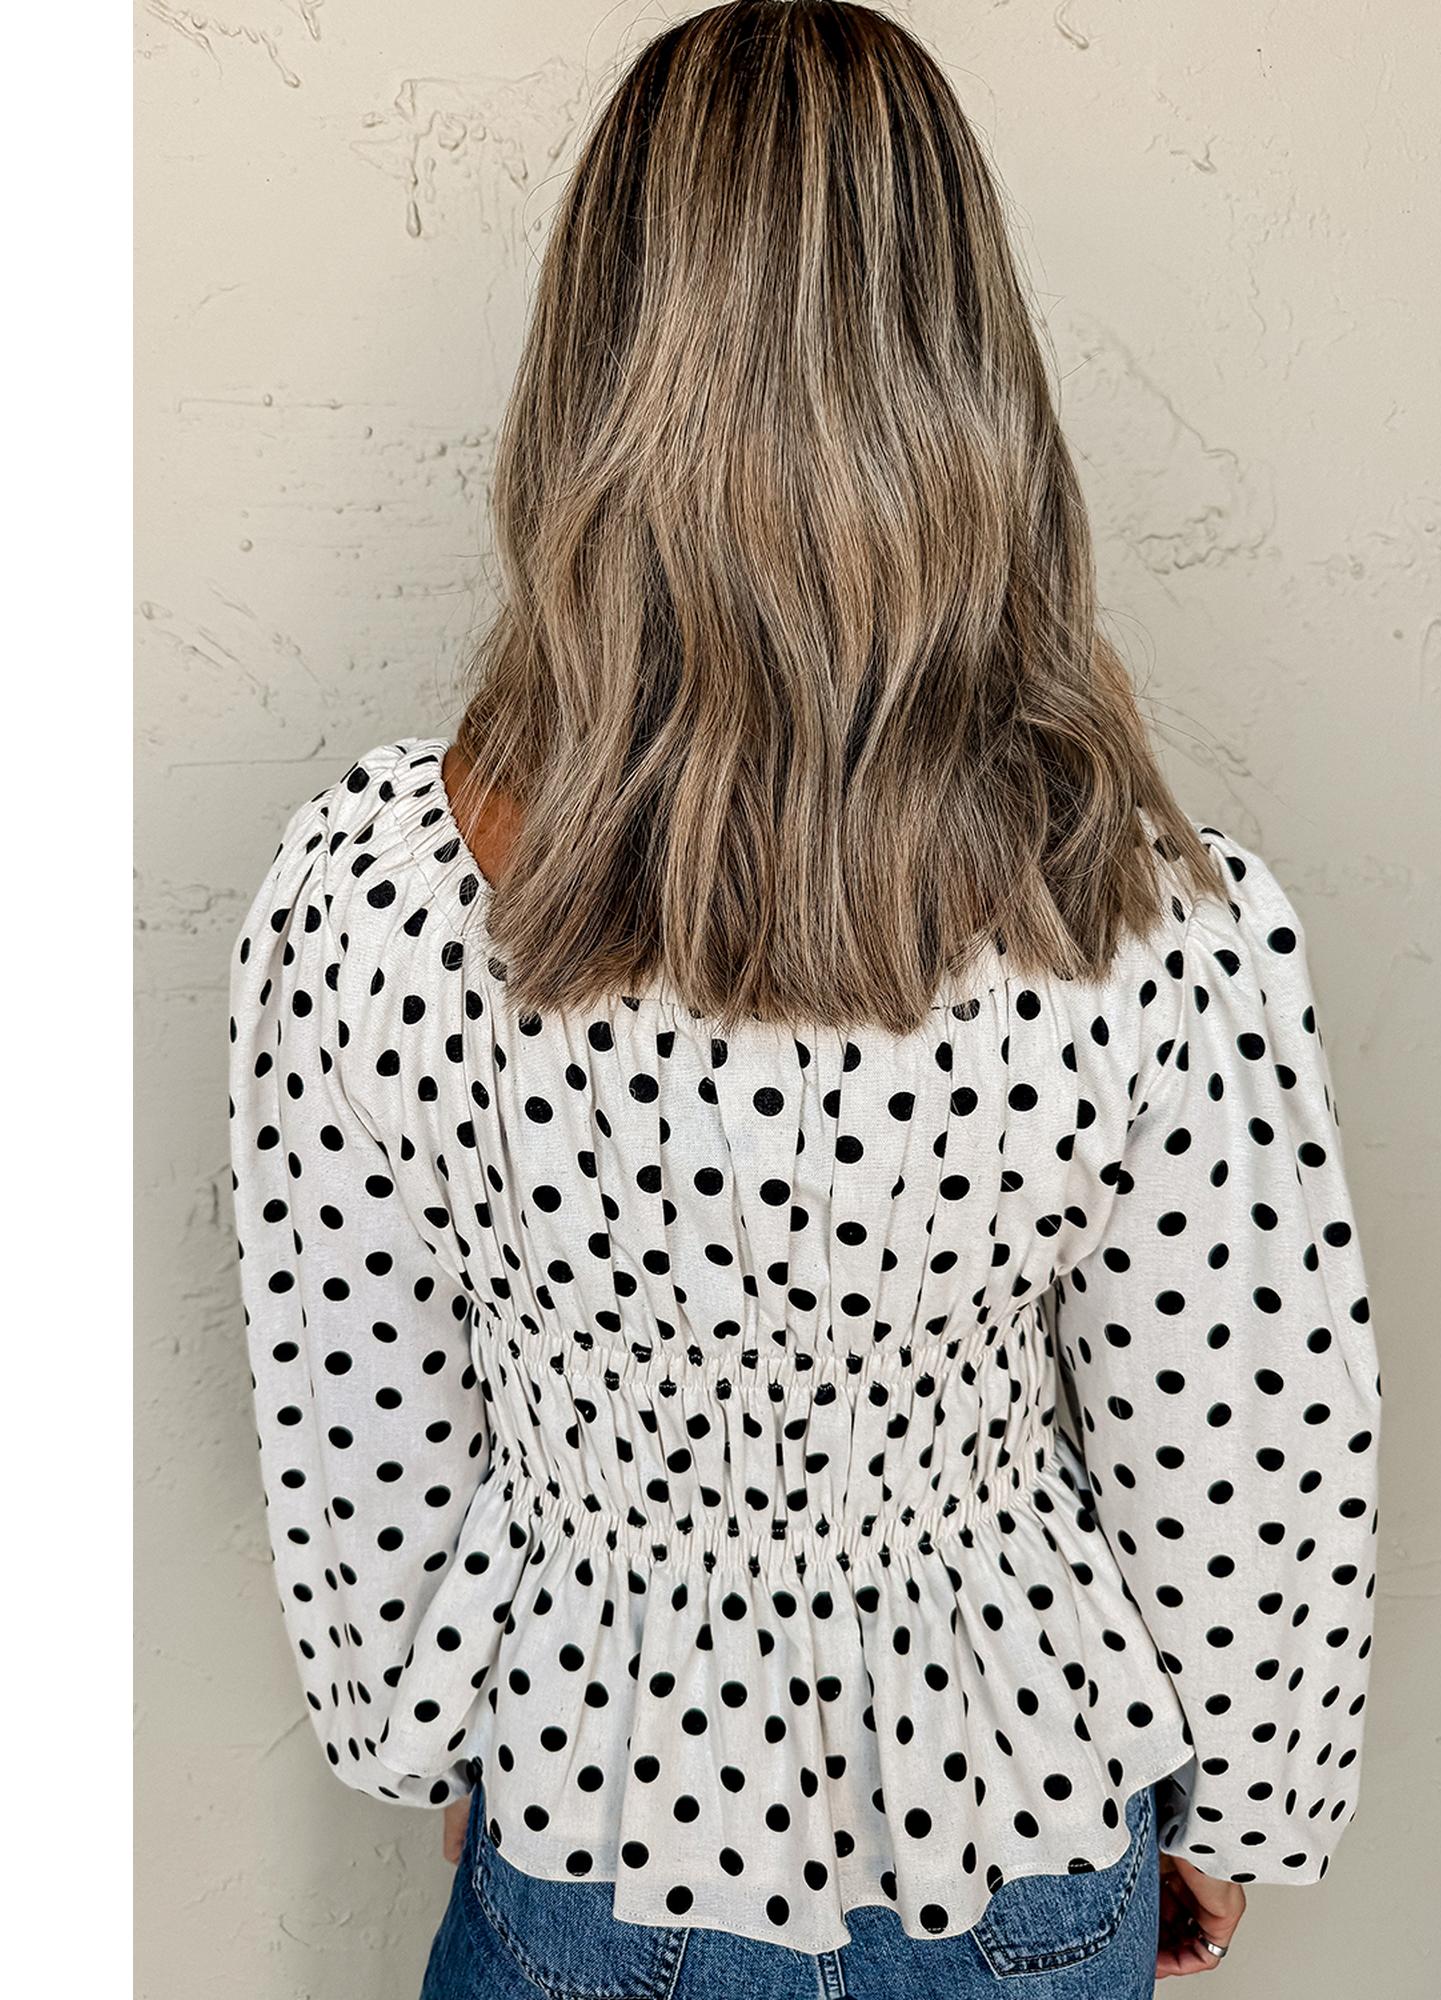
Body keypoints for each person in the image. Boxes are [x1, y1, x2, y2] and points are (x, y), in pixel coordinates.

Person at [226, 5, 1381, 1995]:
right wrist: (1236, 1811)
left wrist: (435, 1737)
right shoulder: (1136, 916)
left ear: (595, 368)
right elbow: (1242, 1442)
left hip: (591, 1824)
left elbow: (361, 1429)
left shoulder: (378, 902)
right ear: (969, 378)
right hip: (1023, 1834)